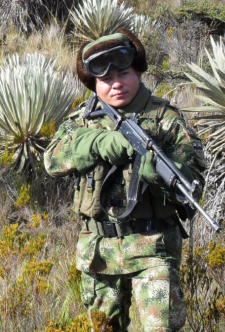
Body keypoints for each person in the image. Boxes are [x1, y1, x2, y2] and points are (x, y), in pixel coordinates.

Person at [44, 28, 207, 332]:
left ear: (139, 72)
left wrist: (157, 175)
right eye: (105, 80)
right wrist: (97, 143)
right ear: (93, 84)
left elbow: (192, 180)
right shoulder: (83, 120)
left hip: (153, 249)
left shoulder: (165, 119)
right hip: (99, 252)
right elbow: (52, 159)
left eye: (124, 73)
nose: (116, 84)